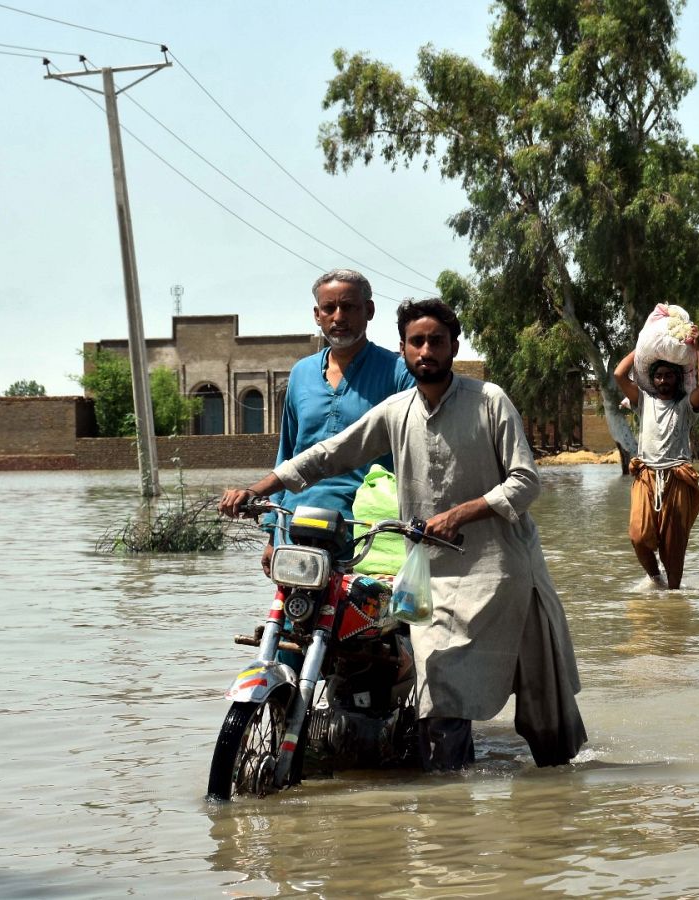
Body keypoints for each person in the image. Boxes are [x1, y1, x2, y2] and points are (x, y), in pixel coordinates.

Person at [220, 298, 587, 771]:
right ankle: (448, 809)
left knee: (542, 707)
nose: (427, 350)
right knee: (440, 696)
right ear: (403, 349)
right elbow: (329, 453)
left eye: (437, 340)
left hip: (503, 572)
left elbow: (525, 481)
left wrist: (462, 514)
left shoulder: (490, 401)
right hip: (432, 578)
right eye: (417, 341)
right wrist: (259, 488)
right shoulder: (396, 411)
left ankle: (557, 804)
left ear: (454, 346)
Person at [262, 268, 416, 575]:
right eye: (329, 309)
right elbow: (288, 452)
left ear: (369, 311)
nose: (338, 317)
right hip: (297, 527)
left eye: (349, 307)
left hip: (368, 532)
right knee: (290, 617)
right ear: (317, 315)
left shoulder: (398, 372)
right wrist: (271, 533)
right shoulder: (300, 374)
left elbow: (416, 455)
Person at [612, 328, 699, 589]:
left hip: (677, 477)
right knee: (637, 534)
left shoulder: (686, 405)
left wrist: (698, 348)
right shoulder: (643, 401)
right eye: (658, 376)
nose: (663, 380)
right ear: (652, 380)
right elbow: (618, 374)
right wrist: (644, 346)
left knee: (673, 545)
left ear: (677, 379)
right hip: (646, 475)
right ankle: (655, 579)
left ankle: (673, 597)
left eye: (668, 376)